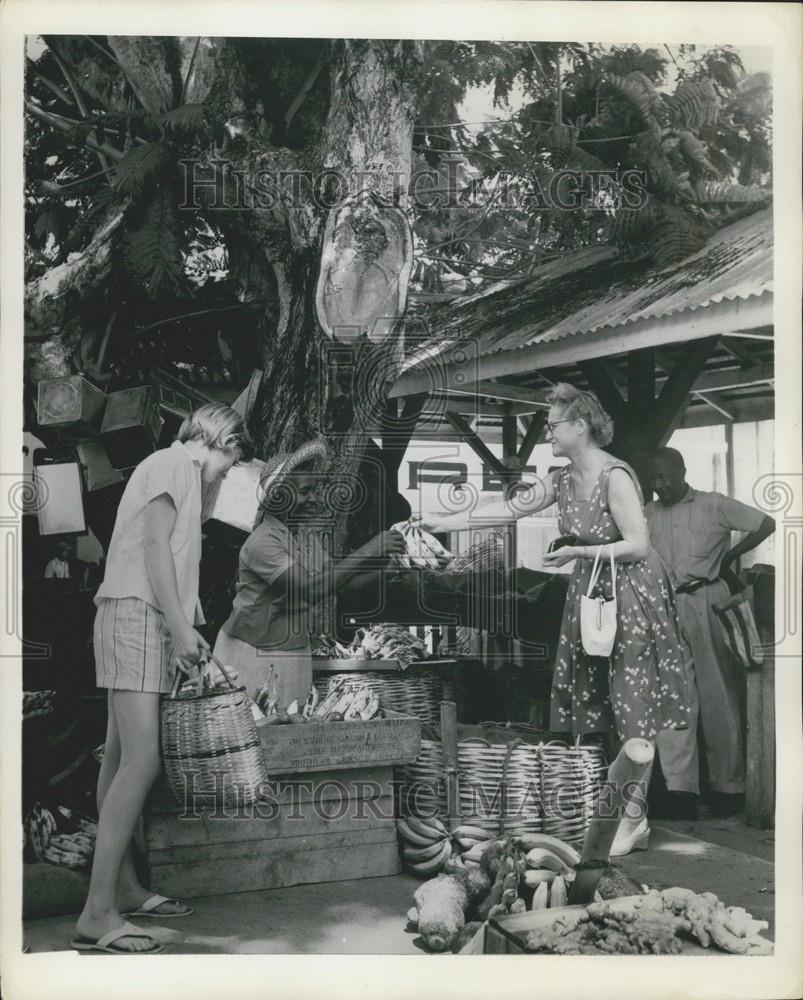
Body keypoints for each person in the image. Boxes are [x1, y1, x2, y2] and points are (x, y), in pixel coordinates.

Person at [421, 383, 692, 856]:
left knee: (632, 706)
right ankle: (614, 809)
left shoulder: (615, 477)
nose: (546, 430)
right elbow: (509, 507)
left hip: (631, 593)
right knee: (598, 703)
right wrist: (442, 523)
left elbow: (638, 545)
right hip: (592, 589)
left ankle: (634, 818)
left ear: (581, 425)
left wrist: (577, 551)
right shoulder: (561, 479)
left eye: (553, 423)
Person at [72, 403, 252, 955]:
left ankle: (121, 888)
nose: (226, 471)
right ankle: (97, 912)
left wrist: (180, 627)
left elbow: (171, 553)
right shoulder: (176, 463)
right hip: (136, 613)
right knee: (141, 760)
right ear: (219, 442)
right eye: (231, 459)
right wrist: (178, 629)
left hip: (138, 614)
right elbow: (153, 547)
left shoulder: (175, 471)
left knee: (121, 755)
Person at [213, 439, 407, 706]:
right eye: (306, 491)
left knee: (290, 734)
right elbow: (312, 588)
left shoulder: (305, 539)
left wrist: (386, 573)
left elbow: (339, 586)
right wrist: (371, 549)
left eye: (313, 490)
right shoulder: (262, 542)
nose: (313, 498)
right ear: (281, 496)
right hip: (249, 654)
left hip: (293, 653)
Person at [645, 446, 775, 817]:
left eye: (666, 476)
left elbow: (765, 523)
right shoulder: (648, 513)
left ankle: (728, 787)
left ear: (683, 471)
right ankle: (680, 790)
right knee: (674, 696)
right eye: (654, 478)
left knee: (719, 692)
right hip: (666, 606)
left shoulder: (712, 504)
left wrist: (731, 557)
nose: (660, 485)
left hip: (707, 599)